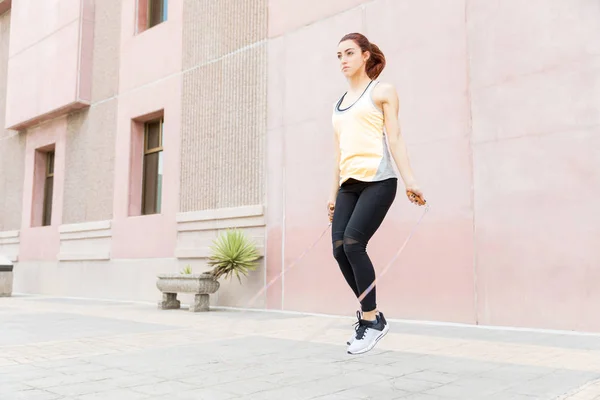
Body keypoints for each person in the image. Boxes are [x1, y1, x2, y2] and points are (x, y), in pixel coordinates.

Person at [329, 32, 426, 355]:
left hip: (379, 181)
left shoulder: (382, 91)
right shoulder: (338, 105)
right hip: (348, 185)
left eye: (349, 53)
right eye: (339, 55)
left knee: (355, 244)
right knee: (339, 250)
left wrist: (410, 180)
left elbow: (395, 138)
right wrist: (333, 195)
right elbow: (338, 154)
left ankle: (371, 321)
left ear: (366, 56)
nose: (343, 60)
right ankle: (371, 316)